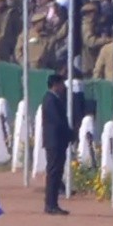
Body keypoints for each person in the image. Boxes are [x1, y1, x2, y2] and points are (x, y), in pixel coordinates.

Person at [36, 73, 73, 214]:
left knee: (56, 173)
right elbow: (58, 122)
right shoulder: (51, 100)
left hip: (58, 142)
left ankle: (53, 203)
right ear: (55, 85)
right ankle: (50, 205)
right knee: (53, 173)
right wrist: (70, 134)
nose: (64, 87)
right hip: (54, 142)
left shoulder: (55, 99)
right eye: (61, 84)